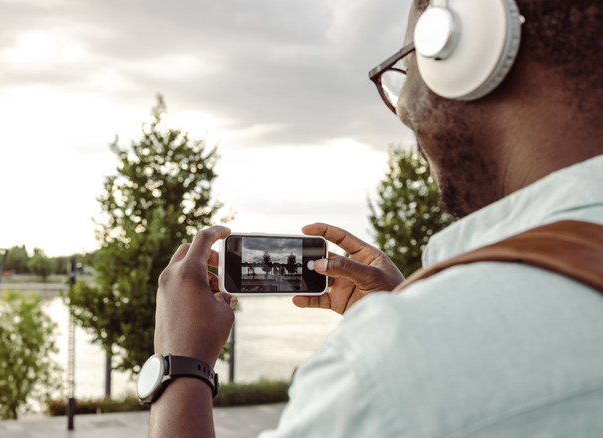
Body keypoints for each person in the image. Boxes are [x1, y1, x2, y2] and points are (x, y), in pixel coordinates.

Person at [146, 0, 603, 436]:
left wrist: (179, 365)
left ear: (468, 43)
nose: (402, 106)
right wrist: (406, 305)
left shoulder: (388, 369)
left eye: (406, 65)